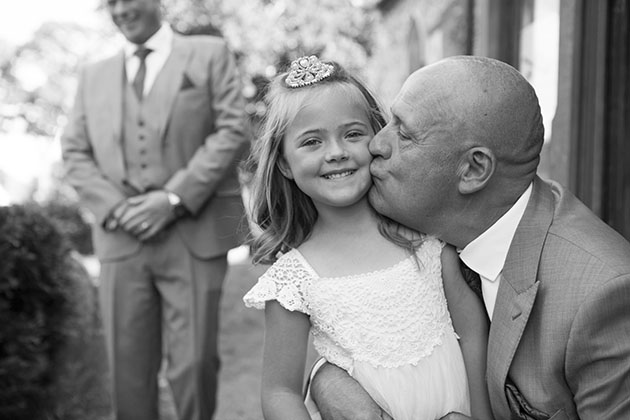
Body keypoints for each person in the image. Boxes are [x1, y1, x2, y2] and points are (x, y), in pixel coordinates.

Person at [309, 55, 630, 420]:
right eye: (388, 122)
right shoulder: (413, 229)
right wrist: (325, 379)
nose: (375, 145)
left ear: (473, 169)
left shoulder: (603, 296)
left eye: (404, 133)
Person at [241, 55, 493, 420]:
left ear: (377, 137)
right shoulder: (293, 282)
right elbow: (280, 392)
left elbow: (472, 334)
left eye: (353, 134)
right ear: (284, 164)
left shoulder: (426, 239)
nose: (336, 152)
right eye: (312, 142)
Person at [60, 0, 250, 419]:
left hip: (193, 232)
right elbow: (74, 151)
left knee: (195, 364)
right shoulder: (92, 76)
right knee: (127, 370)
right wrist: (115, 208)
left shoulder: (209, 53)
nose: (122, 10)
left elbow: (234, 130)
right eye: (111, 3)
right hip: (120, 238)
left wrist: (173, 199)